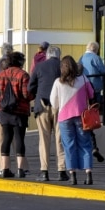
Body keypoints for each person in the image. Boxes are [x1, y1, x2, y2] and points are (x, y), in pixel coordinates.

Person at [49, 55, 95, 185]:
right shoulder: (84, 79)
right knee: (85, 144)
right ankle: (88, 174)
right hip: (82, 116)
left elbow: (54, 103)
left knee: (69, 146)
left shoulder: (58, 82)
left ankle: (73, 175)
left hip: (64, 117)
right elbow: (91, 94)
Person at [0, 51, 33, 178]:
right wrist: (31, 96)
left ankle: (5, 169)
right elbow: (26, 94)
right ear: (20, 62)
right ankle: (20, 169)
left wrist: (1, 99)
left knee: (6, 139)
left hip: (5, 111)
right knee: (19, 139)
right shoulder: (23, 75)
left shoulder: (2, 74)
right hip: (20, 111)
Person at [29, 45, 67, 181]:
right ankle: (62, 170)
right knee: (60, 139)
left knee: (44, 139)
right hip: (60, 106)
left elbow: (30, 86)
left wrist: (37, 95)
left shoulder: (40, 66)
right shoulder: (63, 67)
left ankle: (44, 171)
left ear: (47, 55)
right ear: (58, 55)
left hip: (42, 105)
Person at [79, 41, 105, 162]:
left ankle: (91, 145)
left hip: (82, 88)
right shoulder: (95, 58)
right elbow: (104, 71)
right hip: (94, 87)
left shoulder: (81, 58)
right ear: (96, 49)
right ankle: (94, 121)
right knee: (94, 109)